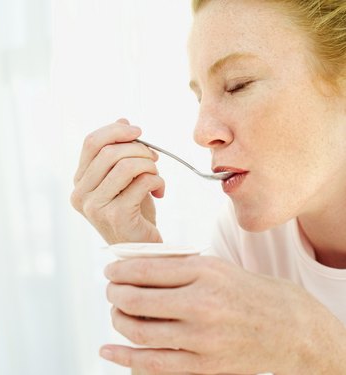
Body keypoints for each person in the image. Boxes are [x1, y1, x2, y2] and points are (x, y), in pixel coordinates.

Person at [71, 0, 346, 373]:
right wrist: (145, 257)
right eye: (200, 97)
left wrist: (312, 341)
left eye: (237, 85)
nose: (201, 134)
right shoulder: (246, 241)